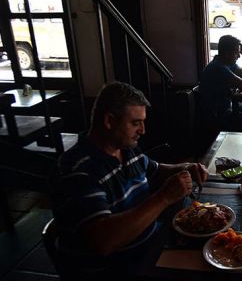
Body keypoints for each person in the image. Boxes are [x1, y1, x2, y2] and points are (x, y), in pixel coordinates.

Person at [53, 82, 208, 279]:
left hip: (150, 246)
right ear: (109, 120)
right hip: (117, 269)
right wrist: (164, 198)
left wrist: (186, 167)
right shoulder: (78, 171)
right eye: (135, 123)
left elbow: (156, 169)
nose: (143, 130)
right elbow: (104, 242)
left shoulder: (125, 148)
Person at [199, 35, 242, 123]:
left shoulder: (227, 64)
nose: (238, 56)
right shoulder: (218, 67)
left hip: (227, 108)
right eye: (237, 53)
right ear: (227, 54)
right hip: (217, 116)